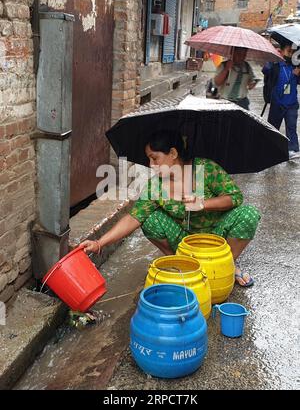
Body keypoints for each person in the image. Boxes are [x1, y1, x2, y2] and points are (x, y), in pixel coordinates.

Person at [80, 131, 261, 287]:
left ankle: (227, 265)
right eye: (149, 160)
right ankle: (181, 263)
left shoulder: (204, 169)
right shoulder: (155, 186)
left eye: (155, 158)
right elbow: (133, 218)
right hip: (184, 239)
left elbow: (235, 197)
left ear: (173, 153)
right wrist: (99, 243)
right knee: (150, 220)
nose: (151, 165)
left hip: (216, 234)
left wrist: (203, 203)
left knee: (249, 215)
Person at [262, 42, 300, 159]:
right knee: (273, 128)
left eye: (292, 52)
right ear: (282, 51)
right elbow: (265, 70)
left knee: (291, 128)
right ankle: (269, 149)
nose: (291, 54)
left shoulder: (295, 66)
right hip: (277, 104)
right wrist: (272, 56)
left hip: (292, 104)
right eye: (289, 51)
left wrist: (298, 74)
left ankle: (292, 149)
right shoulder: (275, 65)